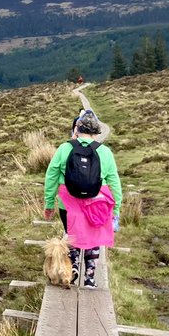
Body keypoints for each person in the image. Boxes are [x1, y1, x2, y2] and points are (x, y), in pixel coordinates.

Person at [43, 114, 122, 287]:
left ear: (77, 130)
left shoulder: (65, 148)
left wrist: (49, 204)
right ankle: (90, 278)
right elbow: (114, 183)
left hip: (68, 203)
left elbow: (51, 176)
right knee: (94, 239)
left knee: (72, 235)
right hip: (96, 205)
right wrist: (115, 210)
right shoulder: (105, 152)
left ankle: (72, 266)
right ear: (96, 133)